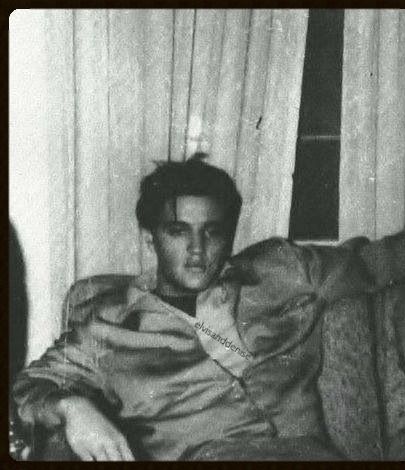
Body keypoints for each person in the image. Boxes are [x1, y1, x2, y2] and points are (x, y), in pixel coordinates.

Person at [13, 153, 373, 461]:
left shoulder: (282, 268)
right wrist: (70, 407)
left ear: (229, 234)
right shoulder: (106, 326)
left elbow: (382, 262)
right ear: (150, 239)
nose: (197, 249)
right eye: (178, 231)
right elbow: (29, 385)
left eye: (212, 231)